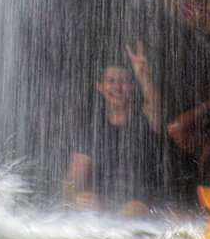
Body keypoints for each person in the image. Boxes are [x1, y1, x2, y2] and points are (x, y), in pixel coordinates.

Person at [63, 41, 163, 216]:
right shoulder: (91, 130)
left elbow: (154, 109)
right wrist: (73, 197)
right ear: (100, 87)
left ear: (131, 87)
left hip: (141, 205)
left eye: (123, 82)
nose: (117, 87)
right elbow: (75, 174)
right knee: (85, 200)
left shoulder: (144, 123)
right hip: (102, 208)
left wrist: (144, 77)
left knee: (131, 210)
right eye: (111, 81)